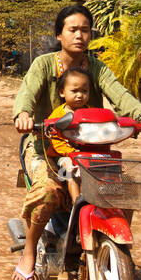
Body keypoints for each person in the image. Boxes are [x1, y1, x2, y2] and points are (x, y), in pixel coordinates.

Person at [10, 4, 141, 280]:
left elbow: (120, 95)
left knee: (126, 188)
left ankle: (109, 244)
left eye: (85, 29)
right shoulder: (43, 65)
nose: (79, 35)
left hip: (91, 147)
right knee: (47, 191)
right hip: (46, 146)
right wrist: (23, 115)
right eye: (72, 29)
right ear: (59, 34)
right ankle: (30, 252)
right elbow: (26, 94)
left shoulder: (97, 68)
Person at [46, 67, 93, 207]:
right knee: (70, 168)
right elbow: (55, 140)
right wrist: (72, 153)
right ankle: (77, 203)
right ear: (62, 92)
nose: (80, 95)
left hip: (85, 153)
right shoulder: (58, 115)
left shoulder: (90, 112)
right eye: (74, 91)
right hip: (63, 154)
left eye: (84, 91)